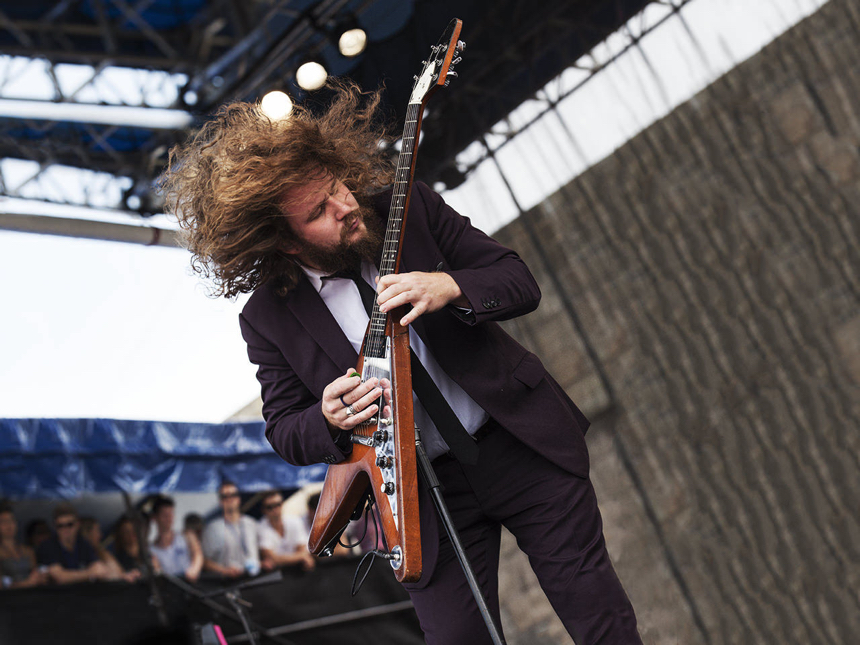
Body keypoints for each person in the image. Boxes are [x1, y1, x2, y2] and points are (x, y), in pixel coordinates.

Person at [162, 81, 642, 644]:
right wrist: (329, 418)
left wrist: (450, 286)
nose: (344, 206)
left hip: (517, 442)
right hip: (417, 495)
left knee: (599, 615)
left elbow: (517, 281)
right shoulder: (268, 317)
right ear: (286, 243)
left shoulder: (406, 208)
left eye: (336, 185)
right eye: (319, 211)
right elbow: (286, 429)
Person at [36, 503, 110, 585]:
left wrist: (77, 575)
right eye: (60, 526)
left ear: (77, 525)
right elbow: (60, 577)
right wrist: (89, 573)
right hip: (57, 595)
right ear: (54, 527)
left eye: (69, 524)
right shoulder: (47, 546)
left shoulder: (83, 543)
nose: (65, 529)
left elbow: (100, 569)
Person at [201, 481, 259, 578]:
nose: (230, 499)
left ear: (239, 499)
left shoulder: (251, 523)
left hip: (253, 577)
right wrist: (224, 570)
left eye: (233, 495)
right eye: (225, 496)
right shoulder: (212, 528)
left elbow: (257, 551)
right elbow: (205, 562)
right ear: (220, 501)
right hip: (228, 581)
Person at [257, 490, 315, 571]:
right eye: (270, 507)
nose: (275, 509)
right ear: (263, 510)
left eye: (278, 504)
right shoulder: (260, 528)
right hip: (277, 575)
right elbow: (271, 558)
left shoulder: (294, 521)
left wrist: (282, 560)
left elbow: (303, 548)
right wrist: (301, 557)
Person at [149, 495, 203, 582]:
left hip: (191, 585)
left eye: (171, 514)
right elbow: (157, 569)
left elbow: (198, 554)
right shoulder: (152, 549)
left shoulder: (187, 536)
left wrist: (194, 569)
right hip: (170, 589)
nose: (169, 519)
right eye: (165, 515)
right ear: (155, 518)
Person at [0, 500, 48, 589]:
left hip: (31, 596)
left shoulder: (28, 550)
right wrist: (27, 583)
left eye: (11, 520)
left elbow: (35, 574)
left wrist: (41, 578)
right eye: (4, 521)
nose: (9, 525)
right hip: (8, 599)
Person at [79, 516, 137, 582]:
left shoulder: (102, 552)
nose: (100, 535)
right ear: (87, 534)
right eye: (97, 531)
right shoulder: (86, 556)